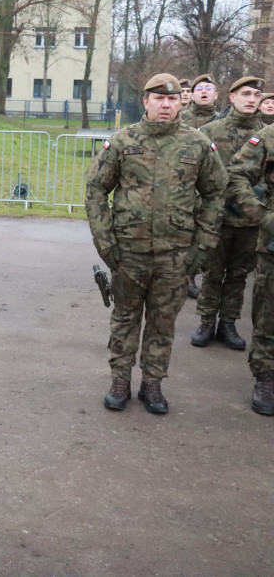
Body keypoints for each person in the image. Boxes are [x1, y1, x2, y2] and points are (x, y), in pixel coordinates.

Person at [85, 73, 227, 415]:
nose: (166, 104)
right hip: (128, 253)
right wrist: (105, 243)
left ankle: (153, 383)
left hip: (176, 254)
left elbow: (215, 193)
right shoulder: (122, 141)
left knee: (163, 323)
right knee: (125, 318)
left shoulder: (197, 143)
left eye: (173, 99)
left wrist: (202, 246)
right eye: (159, 99)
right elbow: (95, 190)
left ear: (182, 102)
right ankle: (120, 380)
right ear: (146, 102)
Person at [191, 76, 264, 352]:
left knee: (238, 275)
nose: (251, 99)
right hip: (216, 218)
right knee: (212, 272)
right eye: (245, 93)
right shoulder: (210, 131)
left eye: (256, 95)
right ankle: (206, 321)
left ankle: (228, 324)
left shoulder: (265, 135)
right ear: (232, 98)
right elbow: (197, 175)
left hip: (250, 219)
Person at [225, 81, 274, 415]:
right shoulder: (268, 137)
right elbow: (235, 176)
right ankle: (266, 377)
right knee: (269, 314)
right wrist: (262, 216)